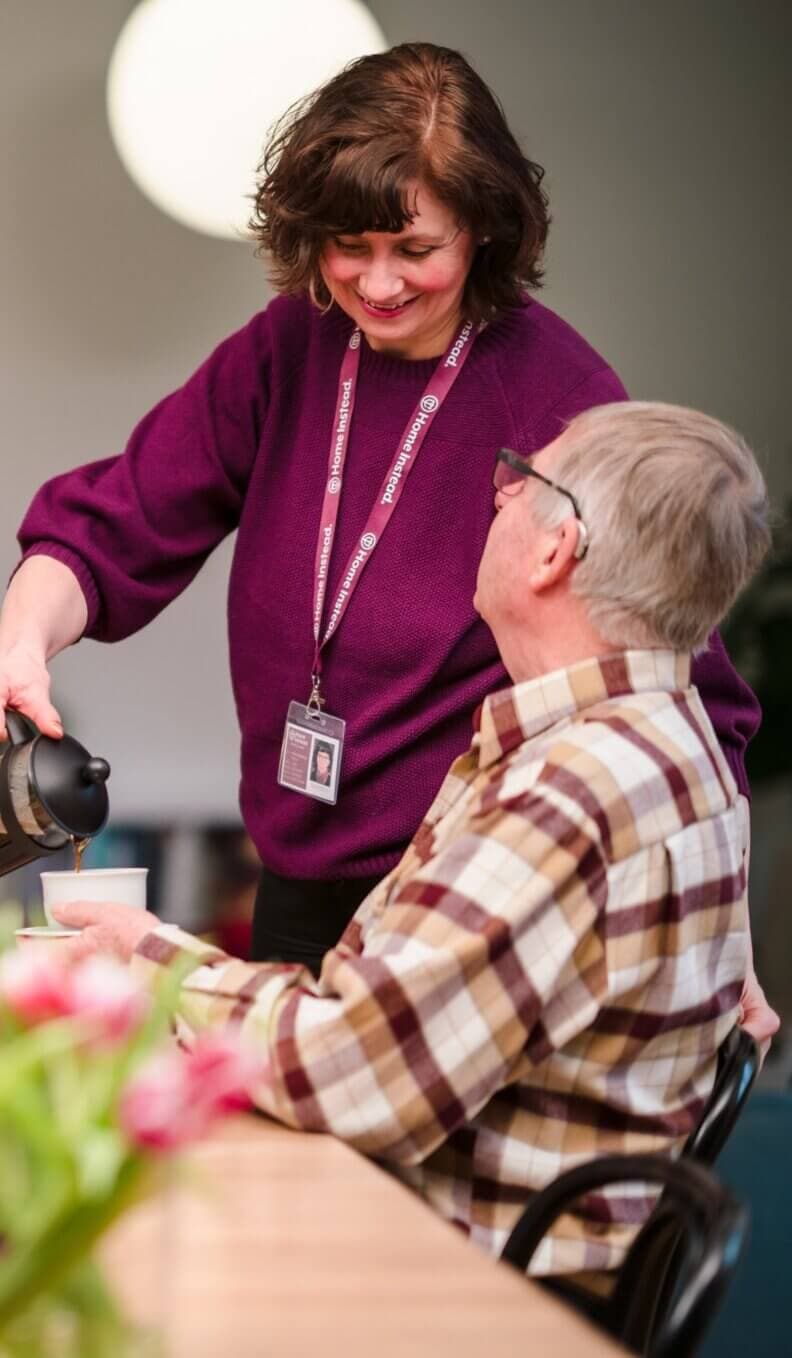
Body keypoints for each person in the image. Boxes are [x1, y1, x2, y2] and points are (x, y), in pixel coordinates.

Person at [0, 43, 762, 981]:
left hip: (463, 901)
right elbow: (110, 523)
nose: (378, 284)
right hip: (291, 878)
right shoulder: (295, 345)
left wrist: (723, 951)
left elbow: (689, 690)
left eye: (416, 249)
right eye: (349, 247)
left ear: (482, 230)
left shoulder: (557, 398)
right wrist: (17, 653)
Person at [51, 401, 772, 1275]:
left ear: (555, 550)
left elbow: (355, 1073)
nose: (498, 497)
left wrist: (150, 963)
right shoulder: (676, 737)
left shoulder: (573, 789)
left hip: (456, 1287)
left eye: (522, 480)